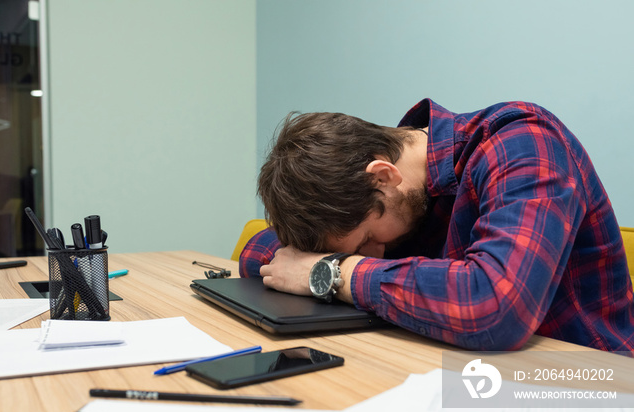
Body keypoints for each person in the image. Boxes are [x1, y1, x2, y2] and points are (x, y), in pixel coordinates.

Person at [240, 98, 634, 352]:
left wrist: (332, 272)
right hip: (471, 374)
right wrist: (318, 263)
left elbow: (494, 305)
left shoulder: (524, 144)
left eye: (367, 240)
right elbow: (258, 251)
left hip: (586, 384)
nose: (374, 255)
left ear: (383, 176)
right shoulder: (394, 195)